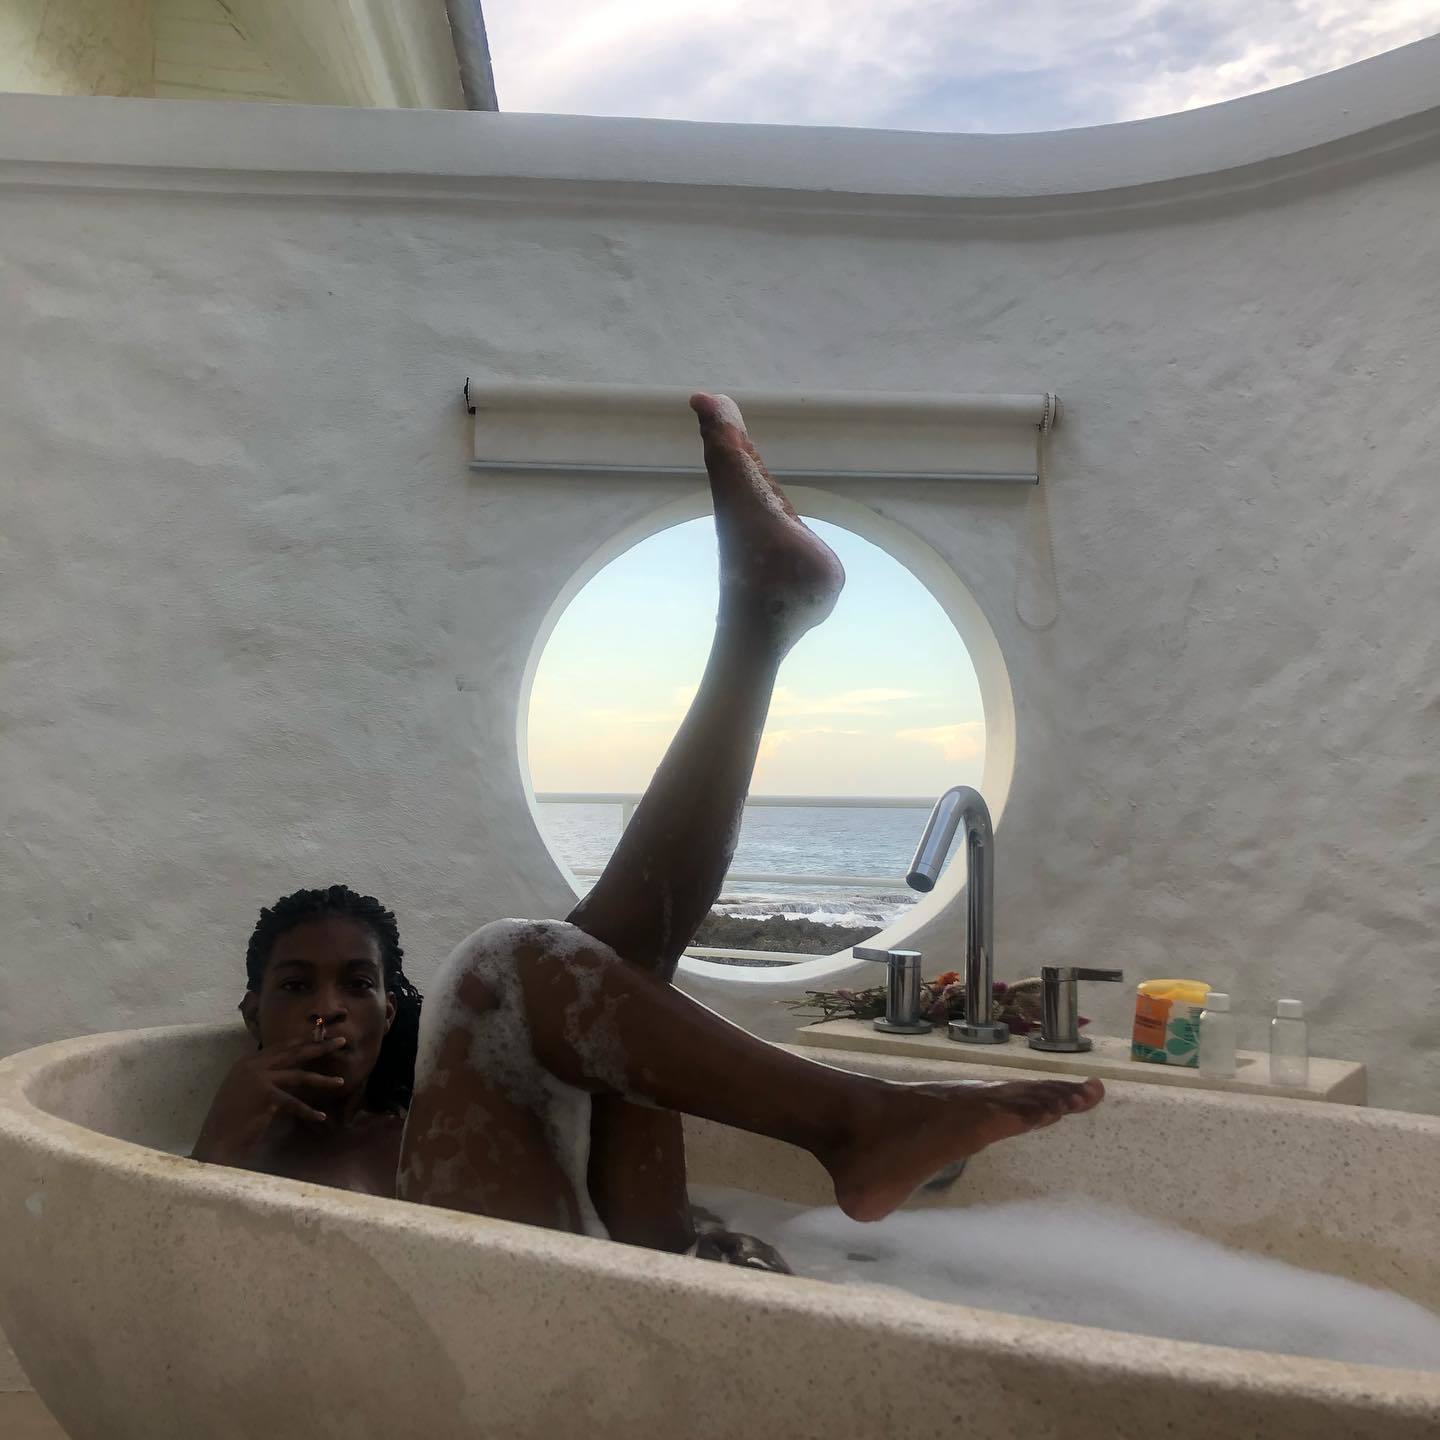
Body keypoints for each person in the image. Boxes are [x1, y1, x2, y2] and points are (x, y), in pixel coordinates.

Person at [193, 394, 1104, 1259]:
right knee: (505, 971)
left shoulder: (435, 1120)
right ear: (250, 1016)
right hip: (499, 1333)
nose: (327, 1009)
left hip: (615, 1284)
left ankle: (759, 622)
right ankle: (756, 630)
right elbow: (185, 1284)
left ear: (392, 1015)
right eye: (294, 987)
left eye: (358, 985)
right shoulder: (231, 1156)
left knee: (569, 976)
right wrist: (217, 1142)